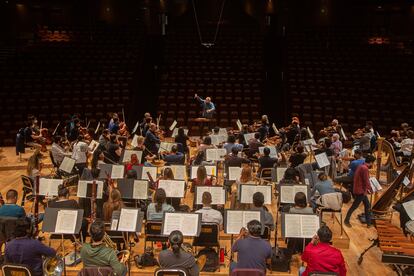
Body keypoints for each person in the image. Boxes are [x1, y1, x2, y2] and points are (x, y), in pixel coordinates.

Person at [344, 154, 376, 228]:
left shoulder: (361, 166)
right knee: (354, 206)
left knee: (367, 206)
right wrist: (371, 189)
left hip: (361, 190)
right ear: (371, 162)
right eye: (373, 163)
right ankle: (346, 220)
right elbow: (366, 181)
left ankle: (368, 223)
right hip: (360, 191)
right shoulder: (364, 168)